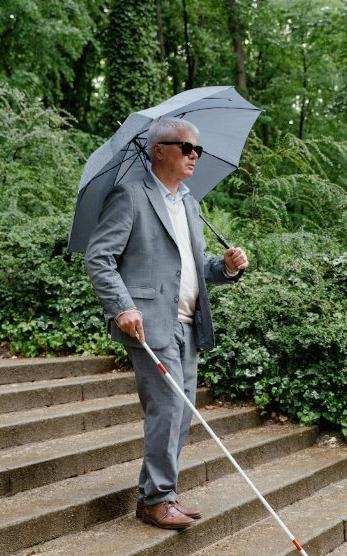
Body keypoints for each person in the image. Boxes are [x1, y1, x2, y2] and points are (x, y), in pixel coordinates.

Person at [84, 117, 249, 530]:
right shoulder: (130, 195)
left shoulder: (189, 203)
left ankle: (155, 496)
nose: (195, 156)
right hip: (148, 323)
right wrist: (122, 307)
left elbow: (197, 266)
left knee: (183, 410)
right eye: (186, 148)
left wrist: (225, 267)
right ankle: (158, 499)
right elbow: (98, 258)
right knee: (168, 408)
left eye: (198, 150)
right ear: (159, 150)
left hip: (188, 324)